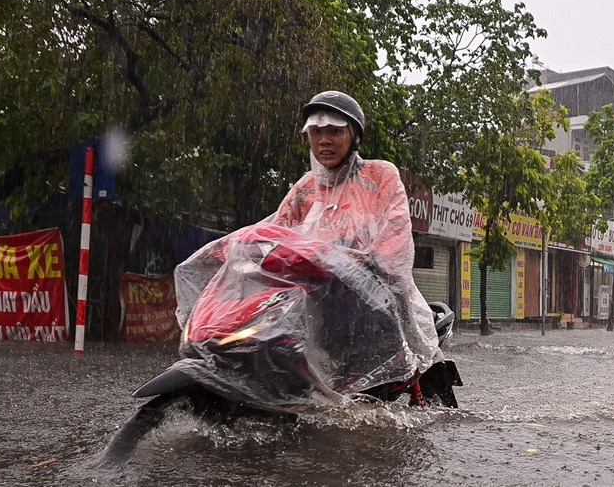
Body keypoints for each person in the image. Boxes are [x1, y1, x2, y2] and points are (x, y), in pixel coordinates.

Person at [174, 90, 441, 399]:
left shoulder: (380, 175)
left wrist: (370, 259)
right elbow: (275, 230)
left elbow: (397, 230)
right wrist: (234, 248)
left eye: (334, 131)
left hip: (373, 294)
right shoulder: (305, 187)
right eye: (316, 132)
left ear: (354, 136)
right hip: (315, 294)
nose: (324, 140)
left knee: (375, 385)